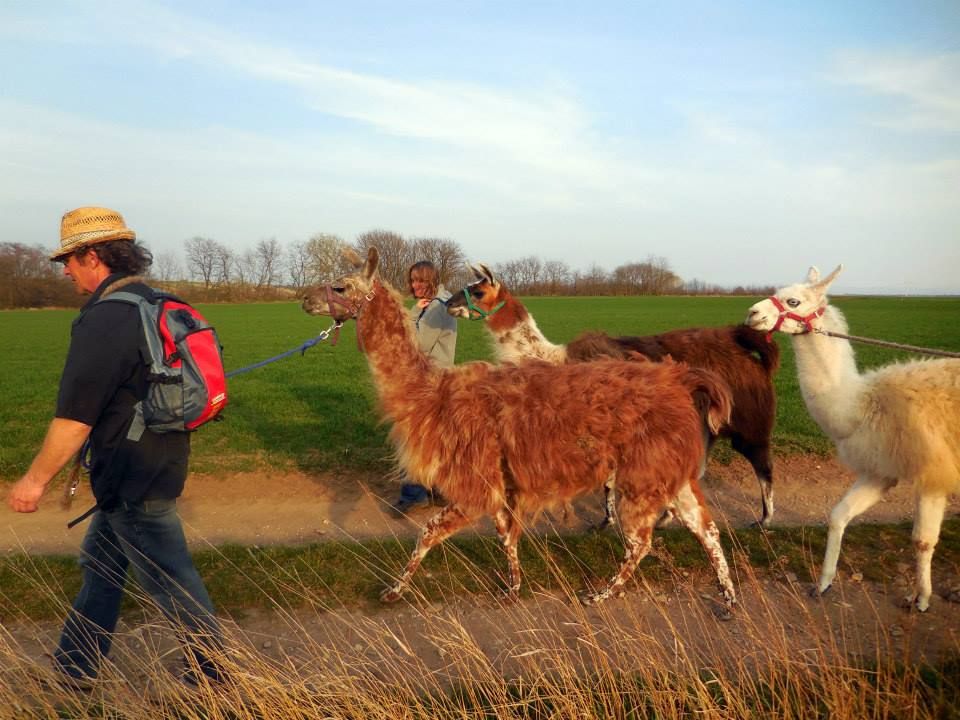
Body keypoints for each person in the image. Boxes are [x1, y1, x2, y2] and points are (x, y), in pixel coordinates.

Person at [7, 207, 226, 691]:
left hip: (132, 474)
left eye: (68, 259)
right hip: (156, 460)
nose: (64, 270)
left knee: (172, 580)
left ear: (92, 256)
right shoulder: (155, 301)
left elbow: (73, 420)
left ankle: (216, 681)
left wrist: (33, 481)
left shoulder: (108, 318)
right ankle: (75, 667)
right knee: (102, 566)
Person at [390, 260, 458, 515]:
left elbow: (416, 345)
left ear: (430, 280)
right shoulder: (438, 303)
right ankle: (438, 491)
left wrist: (410, 315)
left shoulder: (438, 308)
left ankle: (414, 494)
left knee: (414, 438)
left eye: (419, 281)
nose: (414, 286)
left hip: (429, 383)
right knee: (433, 439)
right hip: (436, 380)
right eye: (412, 281)